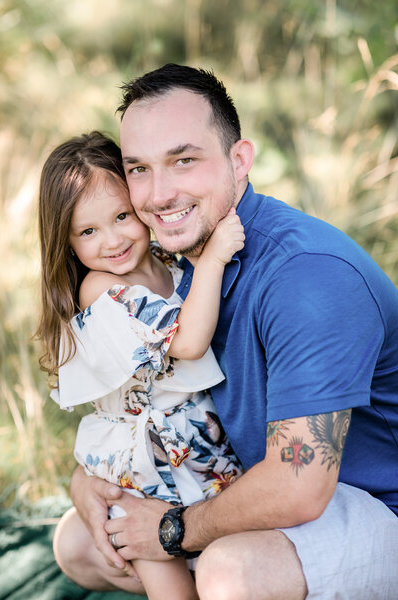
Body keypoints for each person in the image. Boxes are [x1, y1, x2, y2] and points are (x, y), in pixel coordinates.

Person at [54, 65, 398, 599]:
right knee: (80, 540)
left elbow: (298, 486)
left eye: (184, 160)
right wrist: (88, 482)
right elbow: (134, 402)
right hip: (247, 485)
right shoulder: (172, 265)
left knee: (230, 571)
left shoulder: (308, 276)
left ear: (239, 161)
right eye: (139, 169)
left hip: (373, 504)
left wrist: (170, 529)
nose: (160, 194)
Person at [36, 131, 245, 599]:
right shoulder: (100, 291)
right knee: (169, 586)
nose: (112, 240)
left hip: (199, 448)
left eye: (121, 216)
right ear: (66, 242)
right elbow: (188, 342)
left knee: (225, 570)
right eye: (88, 231)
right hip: (141, 475)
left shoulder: (164, 263)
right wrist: (213, 259)